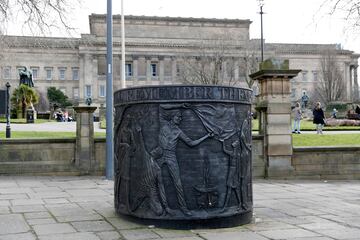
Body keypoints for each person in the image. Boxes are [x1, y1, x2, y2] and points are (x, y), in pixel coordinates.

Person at [159, 106, 213, 216]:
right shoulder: (164, 125)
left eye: (181, 117)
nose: (180, 119)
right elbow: (160, 108)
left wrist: (206, 136)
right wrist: (180, 105)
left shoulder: (178, 131)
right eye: (178, 117)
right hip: (159, 154)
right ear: (173, 117)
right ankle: (164, 207)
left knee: (177, 183)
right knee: (157, 180)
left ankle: (183, 208)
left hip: (171, 156)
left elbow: (191, 143)